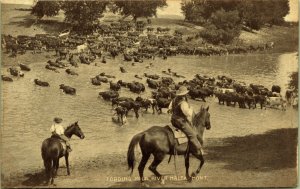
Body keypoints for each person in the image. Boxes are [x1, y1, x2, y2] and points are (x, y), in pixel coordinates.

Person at [168, 86, 202, 150]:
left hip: (173, 120)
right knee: (192, 134)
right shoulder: (183, 103)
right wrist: (191, 108)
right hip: (180, 121)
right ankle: (198, 149)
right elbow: (188, 114)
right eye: (186, 93)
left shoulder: (174, 100)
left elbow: (169, 109)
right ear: (184, 94)